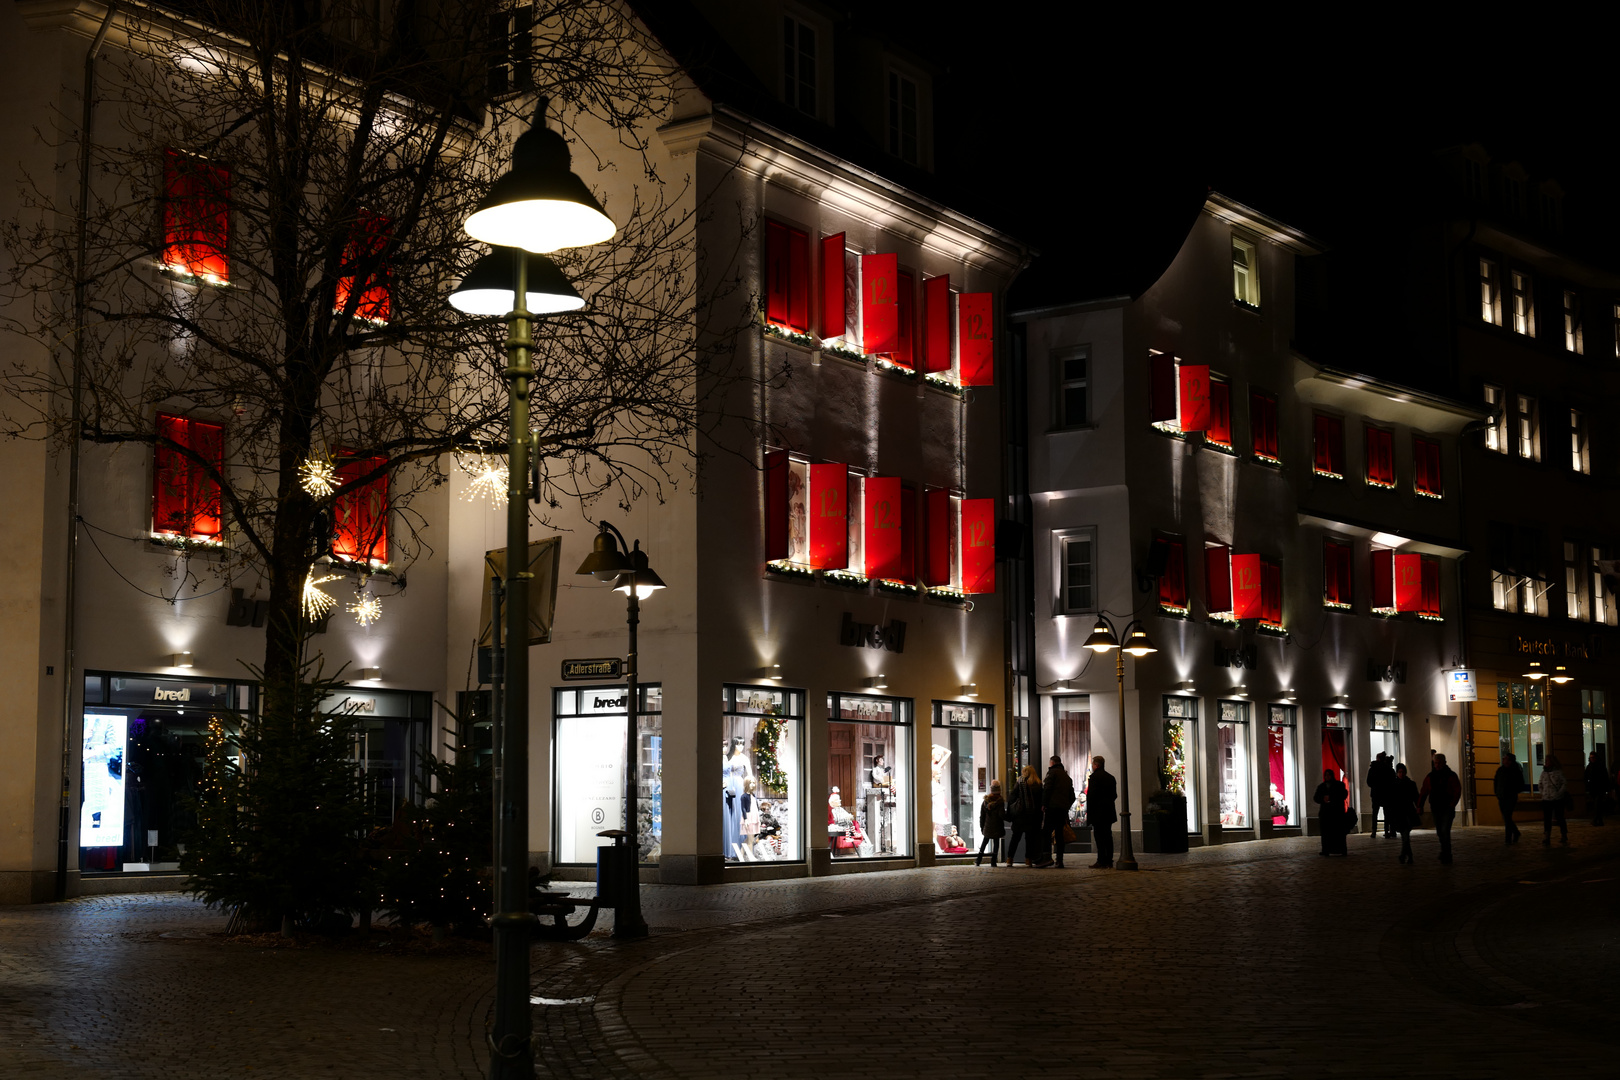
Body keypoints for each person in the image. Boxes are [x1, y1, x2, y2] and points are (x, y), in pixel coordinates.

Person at [1418, 753, 1462, 863]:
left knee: (1445, 830)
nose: (1437, 765)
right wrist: (1420, 805)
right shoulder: (1430, 776)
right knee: (1440, 831)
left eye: (1438, 763)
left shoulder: (1451, 775)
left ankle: (1447, 853)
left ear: (1444, 763)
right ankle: (1444, 851)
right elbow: (1424, 791)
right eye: (1435, 763)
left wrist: (1452, 804)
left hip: (1447, 807)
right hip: (1436, 807)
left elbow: (1457, 791)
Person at [1040, 756, 1076, 869]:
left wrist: (1044, 804)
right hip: (1062, 810)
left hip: (1052, 808)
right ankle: (1059, 860)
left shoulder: (1052, 773)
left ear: (1052, 762)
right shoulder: (1067, 777)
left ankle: (1047, 858)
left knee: (1046, 832)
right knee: (1059, 834)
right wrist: (1066, 806)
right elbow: (1072, 796)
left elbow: (1047, 789)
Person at [1007, 765, 1043, 867]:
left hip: (1020, 815)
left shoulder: (1020, 782)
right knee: (1030, 839)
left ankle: (1010, 859)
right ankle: (1028, 860)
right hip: (1032, 816)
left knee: (1015, 838)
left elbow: (1012, 797)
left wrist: (1011, 812)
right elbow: (1041, 801)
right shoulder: (1038, 784)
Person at [1086, 756, 1118, 869]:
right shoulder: (1111, 778)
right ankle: (1109, 860)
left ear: (1097, 765)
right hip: (1108, 811)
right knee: (1108, 836)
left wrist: (1089, 811)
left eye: (1093, 764)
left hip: (1097, 812)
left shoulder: (1094, 777)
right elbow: (1114, 795)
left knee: (1099, 837)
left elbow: (1091, 796)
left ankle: (1101, 860)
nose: (1092, 766)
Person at [1389, 763, 1421, 864]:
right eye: (1400, 772)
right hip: (1399, 813)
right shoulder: (1394, 785)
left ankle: (1405, 855)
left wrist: (1419, 807)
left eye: (1403, 772)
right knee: (1405, 836)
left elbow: (1416, 797)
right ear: (1397, 773)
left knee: (1405, 835)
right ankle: (1406, 856)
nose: (1401, 774)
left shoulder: (1410, 784)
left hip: (1408, 813)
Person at [1313, 768, 1350, 856]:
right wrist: (1323, 799)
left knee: (1339, 832)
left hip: (1337, 812)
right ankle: (1326, 850)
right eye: (1326, 775)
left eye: (1329, 775)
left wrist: (1332, 798)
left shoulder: (1339, 785)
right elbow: (1316, 798)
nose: (1327, 777)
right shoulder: (1321, 786)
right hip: (1325, 813)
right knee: (1326, 833)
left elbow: (1343, 794)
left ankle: (1341, 850)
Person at [1494, 751, 1525, 844]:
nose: (1504, 760)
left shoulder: (1515, 771)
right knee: (1506, 817)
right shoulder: (1500, 770)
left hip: (1510, 797)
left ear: (1510, 761)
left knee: (1507, 817)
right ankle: (1516, 832)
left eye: (1506, 759)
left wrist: (1513, 791)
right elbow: (1496, 782)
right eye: (1504, 759)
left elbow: (1521, 784)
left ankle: (1508, 839)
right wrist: (1497, 793)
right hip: (1502, 797)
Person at [1540, 755, 1569, 845]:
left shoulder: (1558, 772)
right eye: (1546, 761)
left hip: (1557, 799)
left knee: (1560, 817)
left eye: (1548, 761)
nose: (1546, 762)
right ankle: (1547, 836)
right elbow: (1540, 784)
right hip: (1546, 799)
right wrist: (1543, 793)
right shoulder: (1544, 773)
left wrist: (1559, 793)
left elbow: (1564, 784)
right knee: (1547, 819)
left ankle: (1564, 834)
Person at [976, 780, 1005, 866]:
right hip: (997, 826)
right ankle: (993, 862)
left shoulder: (985, 801)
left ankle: (978, 860)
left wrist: (982, 827)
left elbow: (982, 816)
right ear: (999, 790)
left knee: (984, 842)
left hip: (987, 826)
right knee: (996, 843)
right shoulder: (1000, 802)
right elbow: (1002, 815)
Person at [1366, 752, 1395, 838]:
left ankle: (1374, 831)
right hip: (1386, 794)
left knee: (1375, 812)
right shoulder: (1388, 769)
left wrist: (1375, 786)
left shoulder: (1373, 768)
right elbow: (1392, 781)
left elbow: (1369, 782)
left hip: (1376, 793)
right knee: (1387, 813)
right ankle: (1386, 831)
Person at [1584, 751, 1609, 827]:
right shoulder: (1589, 766)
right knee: (1597, 804)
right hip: (1592, 789)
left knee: (1597, 804)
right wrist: (1587, 786)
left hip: (1600, 788)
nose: (1592, 759)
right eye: (1591, 757)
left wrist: (1606, 788)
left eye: (1593, 757)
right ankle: (1600, 820)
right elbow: (1585, 777)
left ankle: (1595, 819)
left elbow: (1605, 777)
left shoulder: (1601, 766)